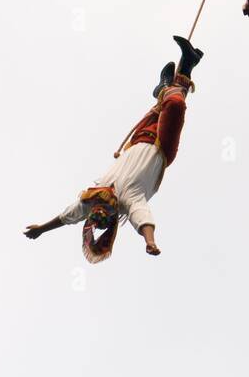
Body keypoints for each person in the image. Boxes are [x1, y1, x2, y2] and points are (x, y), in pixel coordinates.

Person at [22, 36, 203, 262]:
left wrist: (41, 228)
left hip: (139, 139)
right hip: (162, 149)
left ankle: (188, 63)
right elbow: (142, 219)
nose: (99, 208)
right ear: (111, 217)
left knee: (165, 105)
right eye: (104, 214)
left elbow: (67, 216)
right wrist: (150, 242)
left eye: (95, 211)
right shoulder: (128, 200)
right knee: (174, 103)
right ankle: (164, 87)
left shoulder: (91, 197)